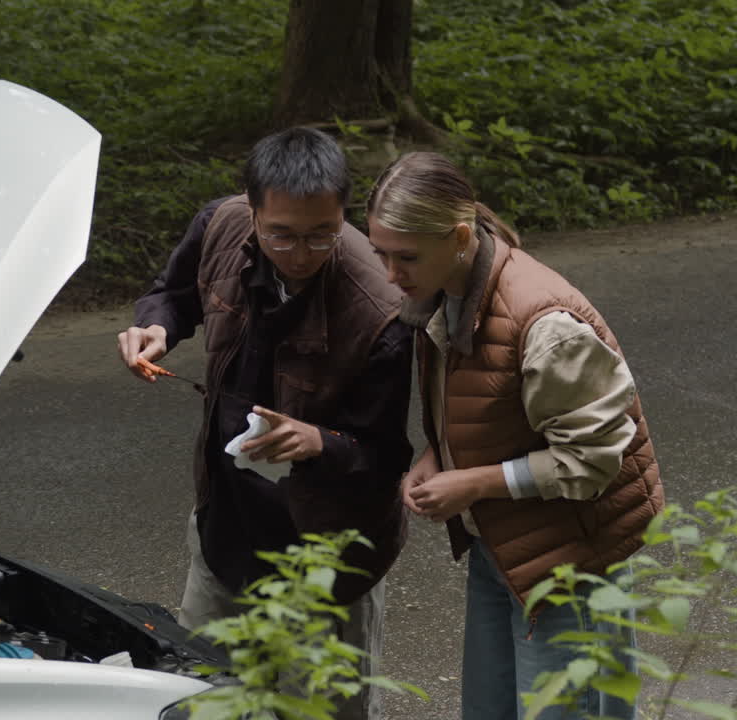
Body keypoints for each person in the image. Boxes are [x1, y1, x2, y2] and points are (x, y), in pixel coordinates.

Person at [117, 128, 414, 719]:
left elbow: (385, 460)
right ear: (251, 211)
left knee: (318, 710)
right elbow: (173, 294)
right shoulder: (220, 227)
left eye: (320, 235)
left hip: (327, 554)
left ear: (343, 214)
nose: (300, 254)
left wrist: (318, 442)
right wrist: (158, 327)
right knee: (206, 696)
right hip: (226, 526)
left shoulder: (382, 311)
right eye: (280, 234)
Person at [365, 151, 663, 720]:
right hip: (502, 542)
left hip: (570, 554)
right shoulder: (445, 289)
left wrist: (469, 481)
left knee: (565, 711)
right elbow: (496, 406)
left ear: (458, 236)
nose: (389, 274)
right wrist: (439, 452)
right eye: (379, 252)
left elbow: (592, 461)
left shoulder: (546, 323)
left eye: (405, 257)